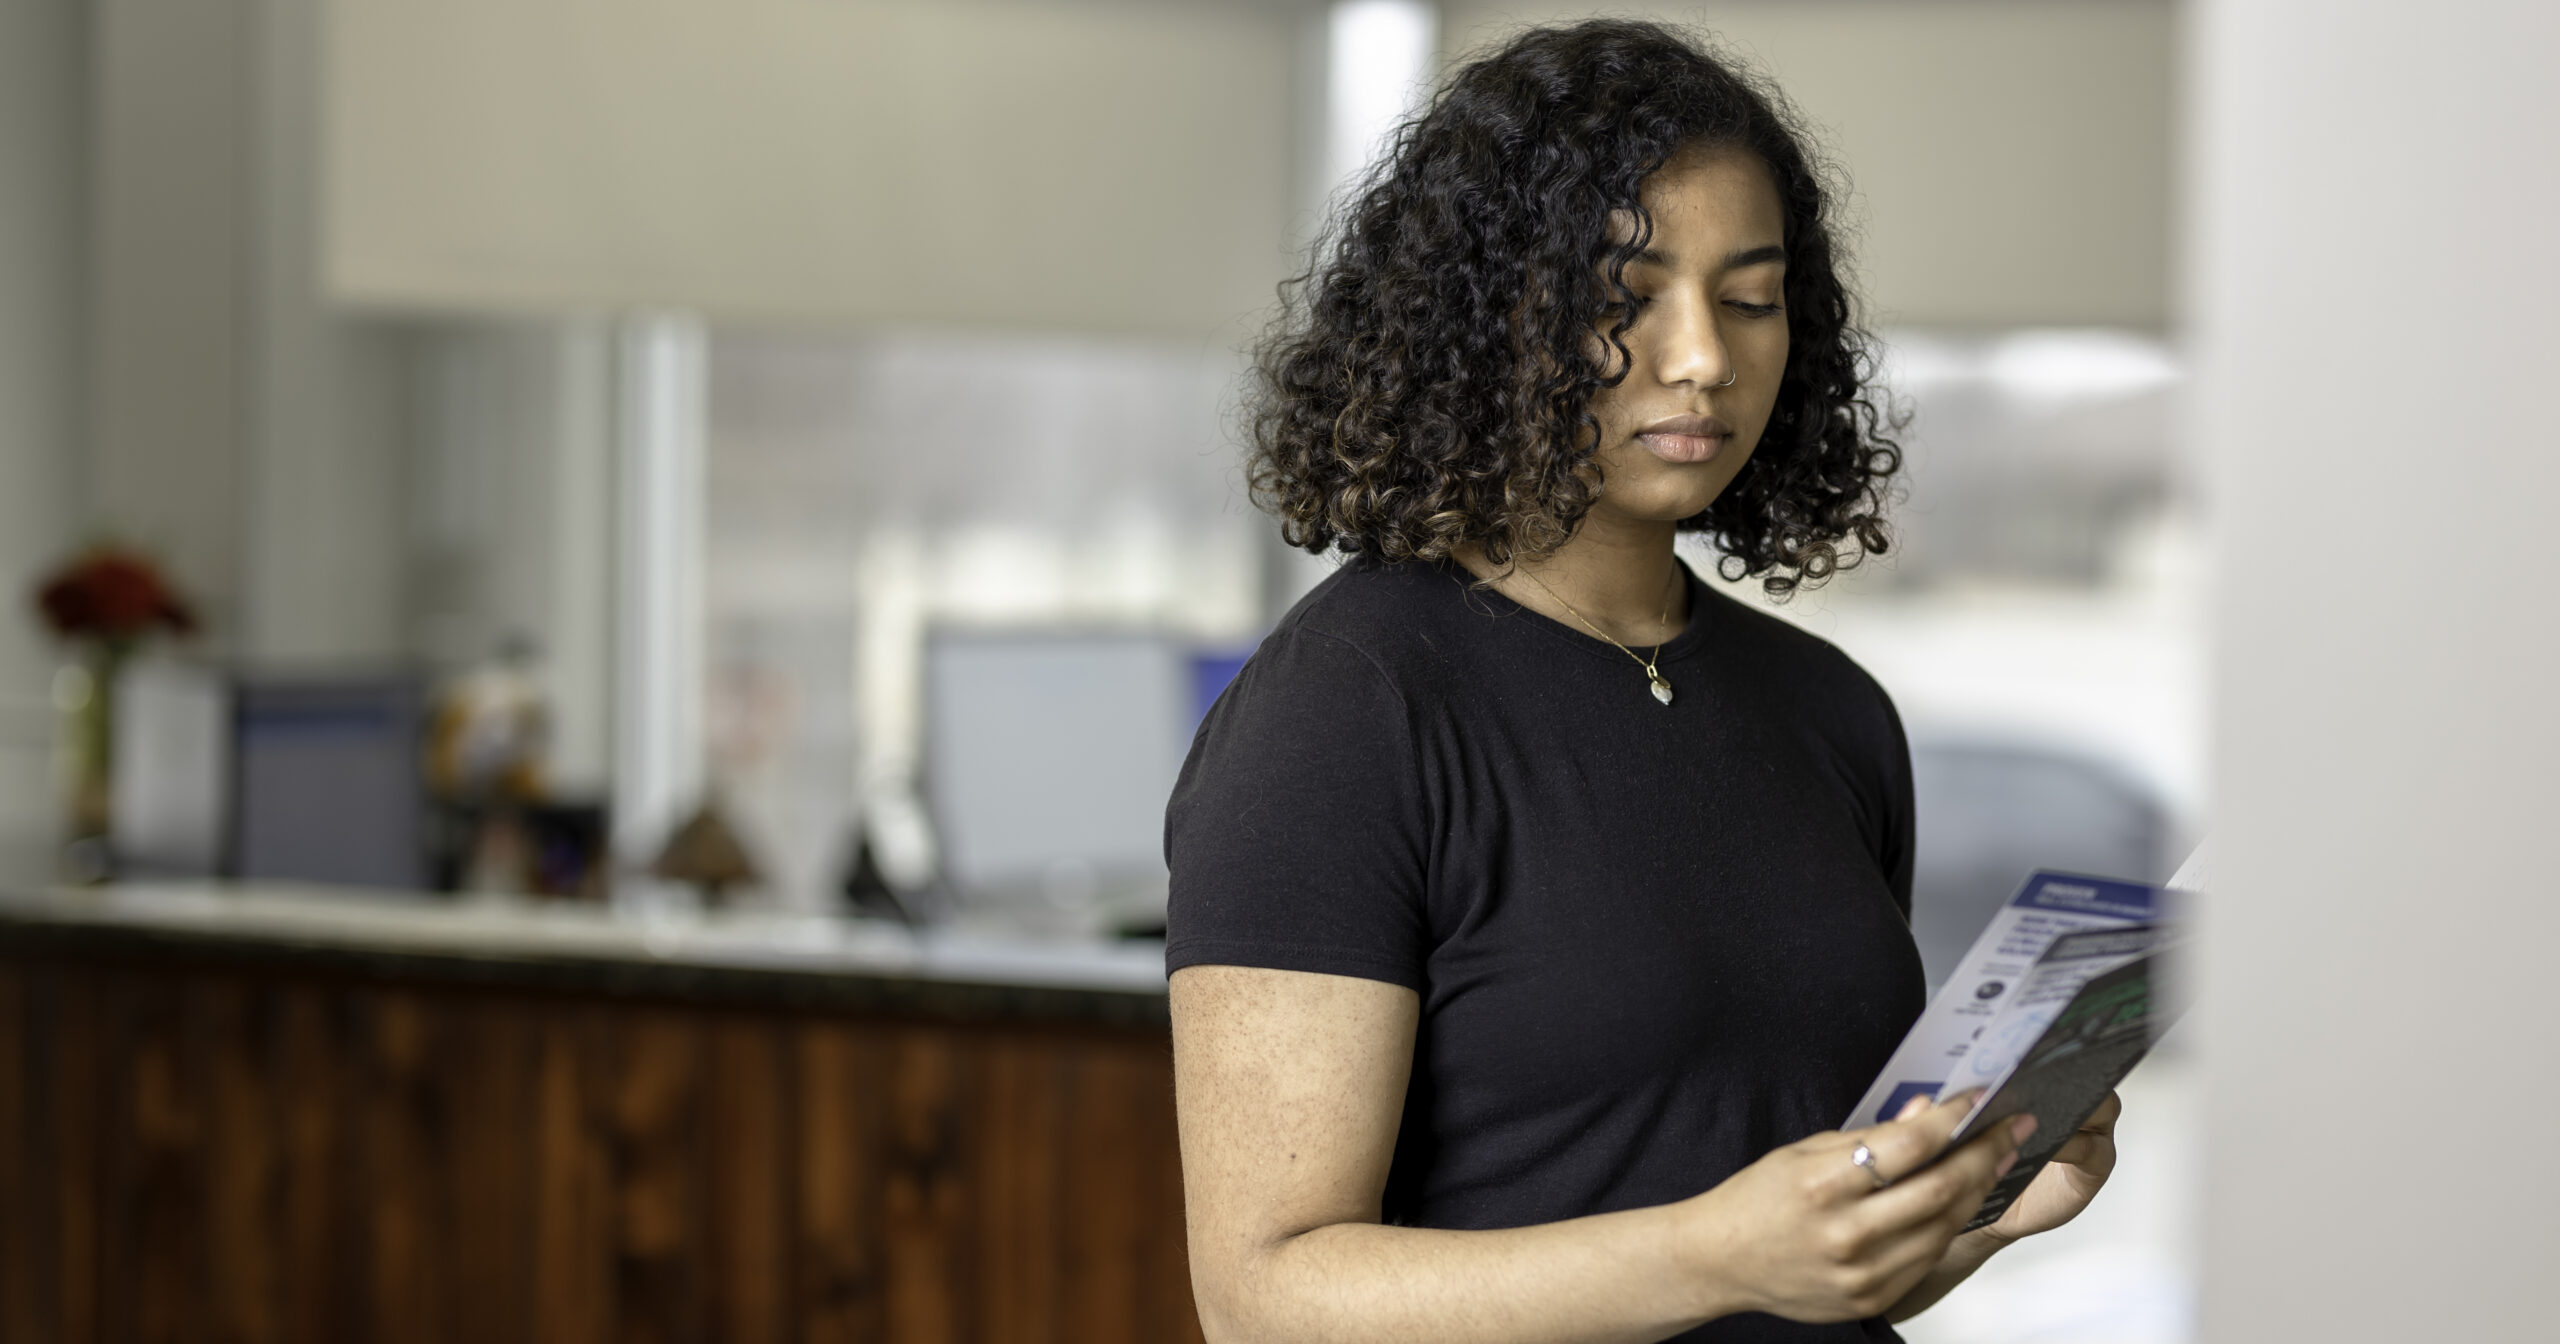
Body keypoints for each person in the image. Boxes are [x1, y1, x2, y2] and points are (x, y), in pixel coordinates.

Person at [1163, 20, 2121, 1343]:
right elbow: (1262, 1300)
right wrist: (1710, 1255)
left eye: (1748, 297)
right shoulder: (1345, 711)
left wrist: (1982, 1211)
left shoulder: (1832, 714)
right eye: (1622, 294)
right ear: (1483, 315)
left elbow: (1807, 1277)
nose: (1703, 360)